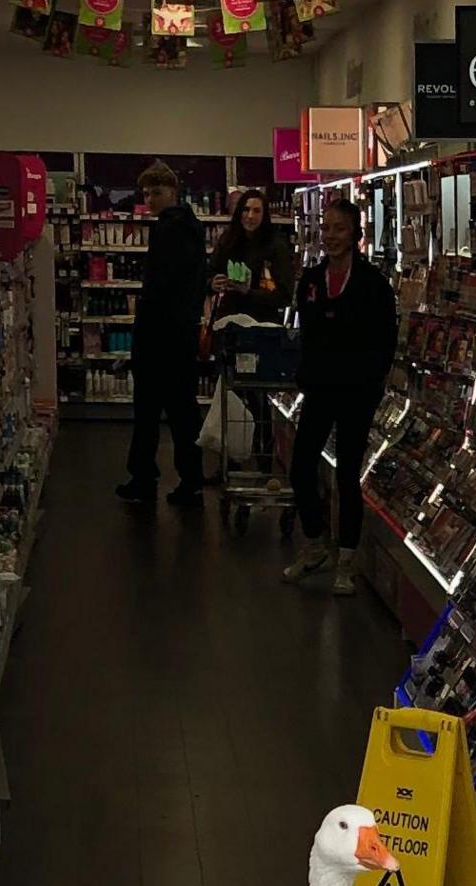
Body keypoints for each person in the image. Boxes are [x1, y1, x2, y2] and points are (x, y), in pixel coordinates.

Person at [283, 193, 396, 596]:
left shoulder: (373, 285)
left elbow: (386, 340)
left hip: (357, 393)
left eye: (339, 228)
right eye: (326, 227)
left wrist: (372, 381)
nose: (331, 235)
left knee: (348, 474)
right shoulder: (311, 282)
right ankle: (314, 544)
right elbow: (307, 335)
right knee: (300, 468)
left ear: (355, 234)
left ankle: (346, 559)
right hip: (318, 389)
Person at [115, 162, 211, 507]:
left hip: (161, 337)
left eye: (156, 192)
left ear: (172, 191)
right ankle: (186, 478)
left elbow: (160, 288)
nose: (150, 199)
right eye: (146, 193)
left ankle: (149, 477)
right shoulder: (190, 227)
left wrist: (145, 335)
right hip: (180, 334)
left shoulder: (171, 229)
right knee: (181, 411)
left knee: (151, 412)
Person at [214, 187, 301, 317]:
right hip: (228, 321)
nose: (250, 216)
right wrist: (213, 283)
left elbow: (284, 296)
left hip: (262, 324)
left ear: (264, 214)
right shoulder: (227, 240)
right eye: (246, 209)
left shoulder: (276, 246)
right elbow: (210, 272)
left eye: (256, 211)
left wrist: (249, 292)